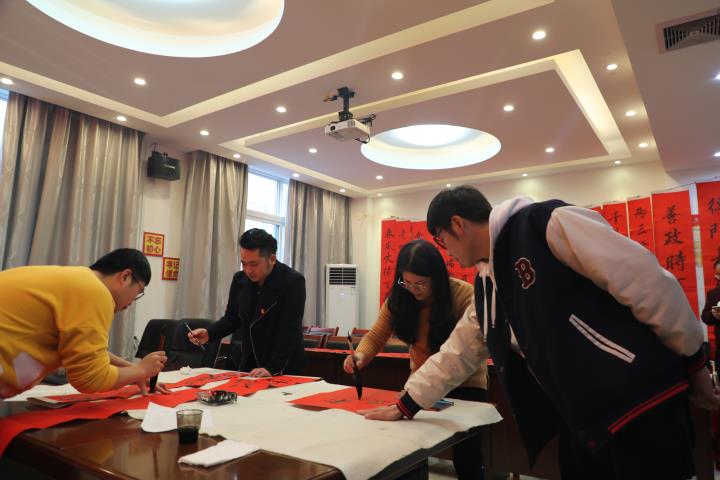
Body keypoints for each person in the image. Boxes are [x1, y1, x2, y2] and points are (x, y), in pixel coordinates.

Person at [361, 186, 720, 479]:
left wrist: (693, 360)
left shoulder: (545, 223)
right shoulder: (487, 284)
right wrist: (407, 403)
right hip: (581, 418)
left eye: (442, 241)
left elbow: (649, 283)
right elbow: (459, 351)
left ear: (457, 224)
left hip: (636, 404)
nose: (448, 253)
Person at [344, 239, 487, 479]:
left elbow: (463, 353)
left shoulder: (463, 294)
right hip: (420, 384)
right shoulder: (399, 296)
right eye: (407, 282)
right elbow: (377, 335)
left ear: (436, 278)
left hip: (466, 384)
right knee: (410, 450)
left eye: (421, 283)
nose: (413, 289)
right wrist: (360, 355)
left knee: (467, 458)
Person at [0, 248, 167, 399]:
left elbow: (86, 351)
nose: (132, 302)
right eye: (138, 291)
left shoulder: (80, 281)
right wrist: (141, 370)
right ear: (125, 276)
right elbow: (89, 378)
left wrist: (133, 371)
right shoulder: (95, 292)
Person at [188, 228, 306, 377]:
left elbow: (289, 329)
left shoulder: (293, 281)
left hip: (283, 365)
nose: (248, 270)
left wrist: (273, 367)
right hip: (250, 362)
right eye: (243, 263)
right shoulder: (240, 280)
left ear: (272, 259)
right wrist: (209, 333)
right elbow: (232, 318)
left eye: (254, 264)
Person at [701, 259, 720, 362]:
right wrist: (713, 314)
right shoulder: (714, 293)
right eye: (717, 274)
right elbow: (705, 317)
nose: (717, 277)